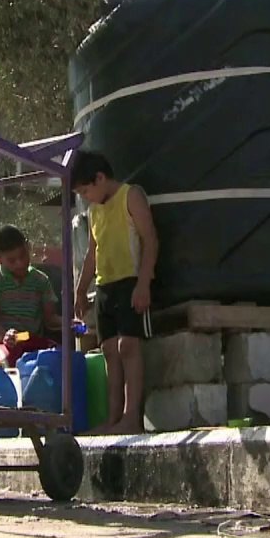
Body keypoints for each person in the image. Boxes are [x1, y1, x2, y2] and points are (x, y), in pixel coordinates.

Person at [71, 150, 158, 435]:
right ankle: (113, 419)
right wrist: (81, 288)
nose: (85, 197)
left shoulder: (130, 196)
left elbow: (150, 240)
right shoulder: (94, 211)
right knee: (109, 350)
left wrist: (144, 283)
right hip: (105, 286)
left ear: (100, 178)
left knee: (128, 347)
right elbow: (92, 253)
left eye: (85, 190)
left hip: (130, 281)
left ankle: (132, 417)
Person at [0, 224, 61, 367]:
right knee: (8, 360)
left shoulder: (41, 280)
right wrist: (5, 336)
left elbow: (50, 319)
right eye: (11, 260)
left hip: (32, 339)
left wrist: (69, 323)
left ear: (28, 246)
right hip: (0, 342)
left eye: (23, 256)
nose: (20, 263)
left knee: (60, 357)